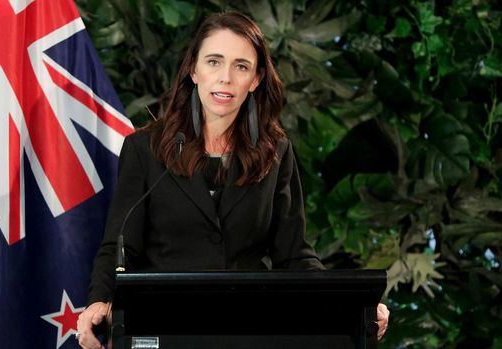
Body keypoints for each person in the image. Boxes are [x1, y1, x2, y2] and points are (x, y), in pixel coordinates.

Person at [76, 11, 389, 349]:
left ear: (255, 79)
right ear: (194, 71)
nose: (225, 78)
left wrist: (354, 308)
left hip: (250, 330)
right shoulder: (144, 149)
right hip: (166, 325)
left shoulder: (276, 152)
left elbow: (294, 253)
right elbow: (120, 248)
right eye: (214, 62)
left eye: (241, 66)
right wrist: (99, 302)